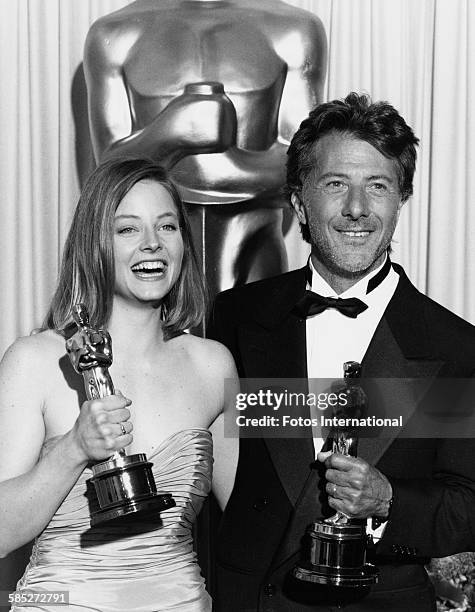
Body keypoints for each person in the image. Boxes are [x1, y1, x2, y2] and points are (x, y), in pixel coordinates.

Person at [208, 93, 475, 611]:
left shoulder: (453, 346)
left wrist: (388, 501)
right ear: (298, 200)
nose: (357, 209)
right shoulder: (238, 318)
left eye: (377, 186)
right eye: (336, 185)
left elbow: (468, 503)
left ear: (401, 199)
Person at [0, 157, 239, 611]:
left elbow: (257, 517)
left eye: (167, 227)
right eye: (128, 229)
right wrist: (74, 448)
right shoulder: (34, 361)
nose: (152, 244)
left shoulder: (213, 365)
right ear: (95, 245)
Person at [83, 0, 327, 297]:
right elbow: (109, 174)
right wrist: (171, 132)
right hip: (150, 261)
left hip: (253, 249)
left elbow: (302, 171)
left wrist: (226, 165)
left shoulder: (294, 30)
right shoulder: (113, 35)